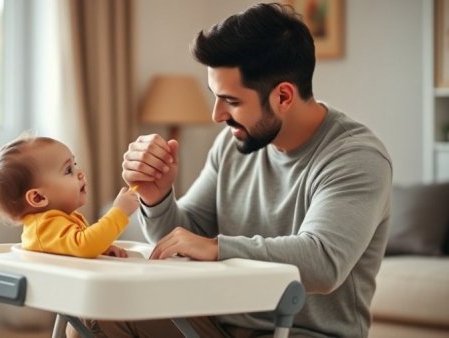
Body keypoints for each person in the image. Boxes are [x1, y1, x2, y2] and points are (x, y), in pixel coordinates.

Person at [82, 2, 392, 337]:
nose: (216, 115)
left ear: (283, 97)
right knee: (95, 317)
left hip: (304, 333)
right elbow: (178, 240)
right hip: (220, 324)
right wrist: (157, 198)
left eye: (231, 101)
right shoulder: (233, 144)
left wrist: (217, 247)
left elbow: (324, 262)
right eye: (215, 97)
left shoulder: (356, 156)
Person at [0, 133, 140, 258]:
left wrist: (104, 249)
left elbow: (74, 248)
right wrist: (119, 211)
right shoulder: (43, 227)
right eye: (68, 170)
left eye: (74, 165)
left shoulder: (60, 221)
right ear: (38, 198)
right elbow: (85, 245)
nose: (80, 173)